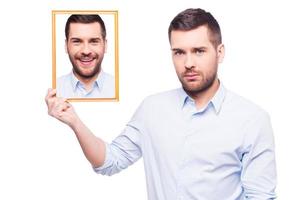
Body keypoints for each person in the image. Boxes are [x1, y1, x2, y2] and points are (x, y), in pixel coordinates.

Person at [46, 8, 277, 199]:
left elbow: (260, 196)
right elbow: (110, 161)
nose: (188, 63)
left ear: (220, 53)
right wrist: (74, 121)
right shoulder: (152, 109)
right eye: (179, 52)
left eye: (199, 51)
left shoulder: (252, 119)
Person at [56, 14, 115, 98]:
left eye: (94, 41)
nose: (86, 51)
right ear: (66, 46)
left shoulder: (122, 87)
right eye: (77, 41)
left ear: (105, 45)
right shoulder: (53, 89)